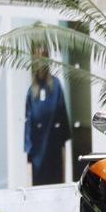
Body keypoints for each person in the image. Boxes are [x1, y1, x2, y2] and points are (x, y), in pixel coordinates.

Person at [22, 44, 72, 186]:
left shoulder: (56, 86)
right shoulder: (31, 93)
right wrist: (29, 168)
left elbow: (63, 126)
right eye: (37, 58)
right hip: (38, 158)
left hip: (54, 153)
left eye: (43, 57)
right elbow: (28, 130)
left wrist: (64, 163)